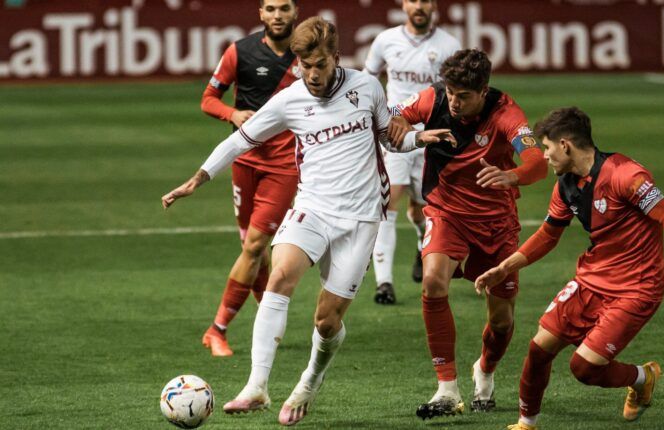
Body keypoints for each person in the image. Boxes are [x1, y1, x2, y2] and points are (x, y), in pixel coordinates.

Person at [162, 17, 451, 426]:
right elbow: (240, 140)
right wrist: (198, 178)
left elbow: (390, 136)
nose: (312, 74)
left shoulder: (366, 87)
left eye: (319, 64)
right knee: (279, 276)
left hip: (361, 217)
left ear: (335, 58)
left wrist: (417, 137)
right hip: (312, 208)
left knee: (327, 320)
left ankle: (309, 381)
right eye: (304, 65)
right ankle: (256, 387)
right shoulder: (289, 100)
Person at [474, 107, 664, 429]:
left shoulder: (626, 175)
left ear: (565, 145)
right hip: (591, 280)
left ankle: (642, 376)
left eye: (547, 148)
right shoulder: (565, 185)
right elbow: (548, 235)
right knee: (538, 349)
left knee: (584, 369)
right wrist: (504, 268)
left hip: (637, 288)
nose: (544, 156)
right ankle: (526, 424)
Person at [388, 48, 548, 418]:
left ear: (484, 90)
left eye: (464, 96)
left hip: (496, 224)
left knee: (502, 320)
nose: (454, 102)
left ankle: (485, 372)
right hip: (447, 213)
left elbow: (537, 162)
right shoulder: (434, 98)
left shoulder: (507, 113)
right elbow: (395, 114)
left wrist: (512, 175)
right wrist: (407, 127)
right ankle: (446, 389)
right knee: (432, 282)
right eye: (451, 93)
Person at [198, 0, 300, 357]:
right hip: (244, 161)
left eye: (284, 8)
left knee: (256, 246)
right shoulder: (239, 52)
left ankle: (217, 329)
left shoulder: (308, 54)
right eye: (270, 8)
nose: (277, 15)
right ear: (261, 13)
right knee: (251, 248)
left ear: (295, 12)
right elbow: (209, 99)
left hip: (285, 165)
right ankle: (264, 317)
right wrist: (232, 113)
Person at [364, 0, 461, 304]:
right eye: (413, 0)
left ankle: (422, 240)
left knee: (420, 208)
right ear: (403, 4)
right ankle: (384, 283)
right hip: (394, 134)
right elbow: (368, 79)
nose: (419, 6)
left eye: (426, 0)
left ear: (434, 5)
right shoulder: (385, 40)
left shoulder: (449, 45)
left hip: (429, 138)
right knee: (389, 203)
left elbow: (458, 93)